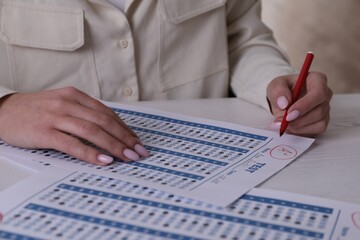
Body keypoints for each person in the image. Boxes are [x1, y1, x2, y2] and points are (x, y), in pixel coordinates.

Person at [0, 0, 332, 166]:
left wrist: (274, 82)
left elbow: (239, 39)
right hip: (41, 175)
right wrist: (4, 107)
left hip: (203, 170)